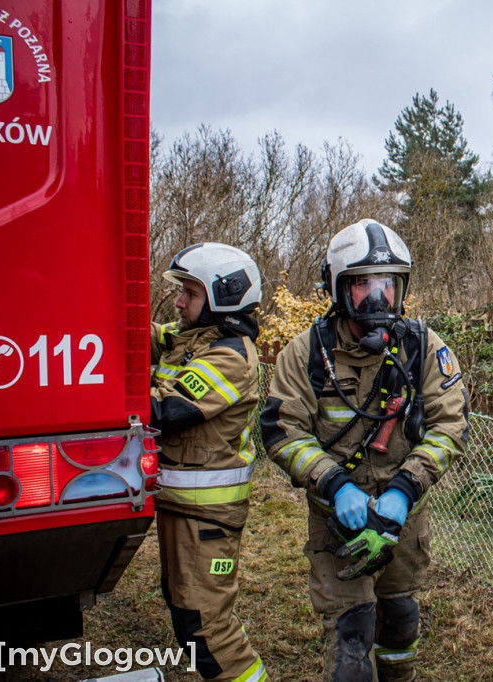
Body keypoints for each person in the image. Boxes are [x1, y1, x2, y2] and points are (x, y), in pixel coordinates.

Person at [260, 219, 470, 681]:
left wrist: (404, 489)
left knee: (399, 623)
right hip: (338, 522)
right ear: (337, 288)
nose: (378, 299)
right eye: (363, 286)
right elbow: (281, 430)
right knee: (352, 641)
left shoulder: (422, 348)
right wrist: (334, 486)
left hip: (404, 519)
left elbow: (450, 425)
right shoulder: (306, 353)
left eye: (388, 285)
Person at [150, 243, 267, 682]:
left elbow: (167, 411)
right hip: (182, 509)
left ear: (223, 297)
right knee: (185, 610)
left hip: (205, 517)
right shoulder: (191, 340)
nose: (179, 302)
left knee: (208, 628)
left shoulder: (230, 358)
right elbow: (142, 337)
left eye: (190, 293)